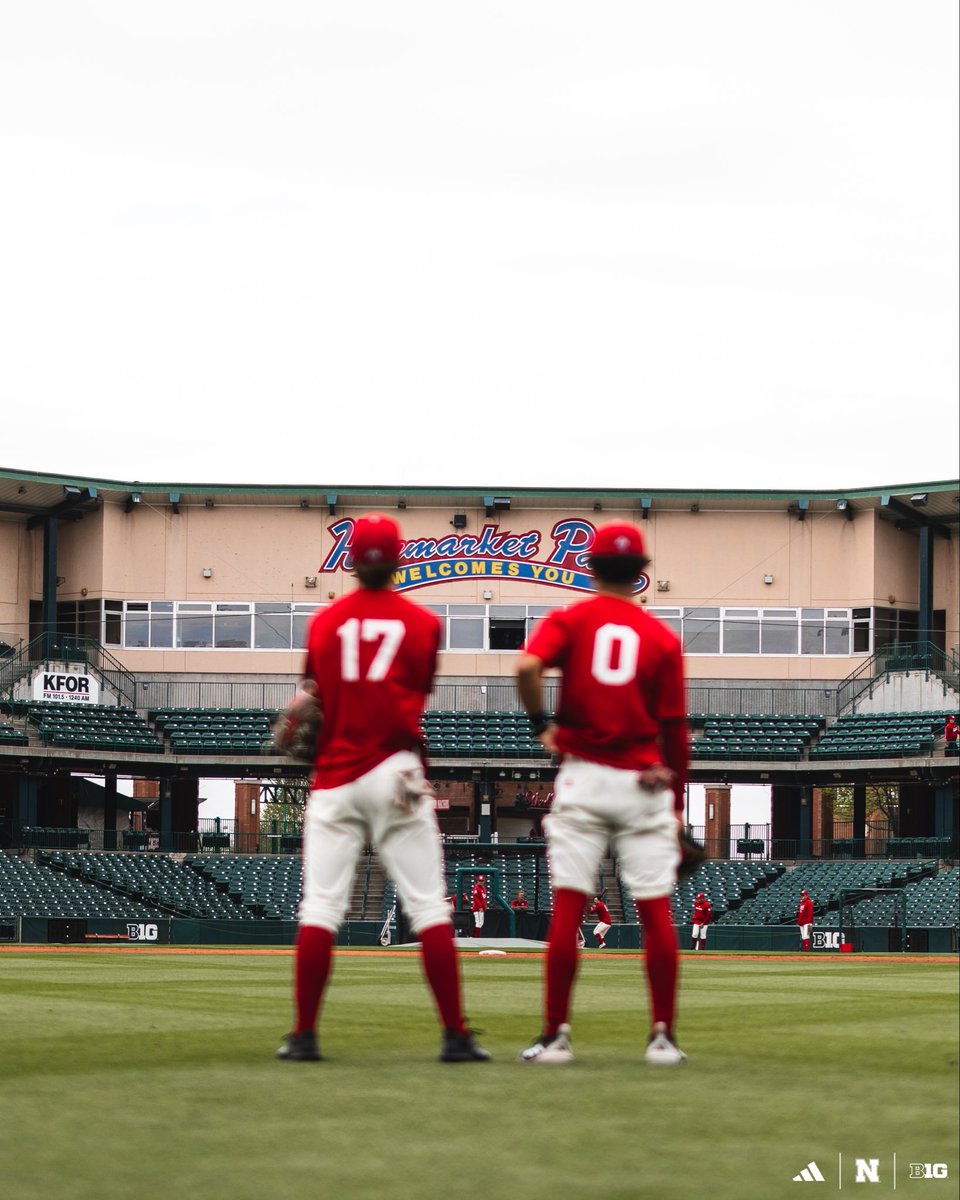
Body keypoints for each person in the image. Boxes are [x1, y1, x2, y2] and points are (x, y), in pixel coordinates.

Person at [274, 513, 489, 1064]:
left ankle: (303, 1036)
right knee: (429, 909)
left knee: (320, 908)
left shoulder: (323, 623)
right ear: (399, 560)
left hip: (335, 775)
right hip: (395, 770)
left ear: (349, 561)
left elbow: (311, 696)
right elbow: (416, 692)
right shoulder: (423, 623)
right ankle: (454, 1035)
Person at [515, 520, 690, 1067]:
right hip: (642, 782)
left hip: (584, 775)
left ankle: (555, 1036)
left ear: (589, 568)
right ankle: (662, 1037)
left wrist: (543, 723)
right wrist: (677, 804)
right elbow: (674, 730)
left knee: (568, 906)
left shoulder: (569, 618)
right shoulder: (661, 637)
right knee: (655, 912)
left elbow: (526, 665)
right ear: (641, 575)